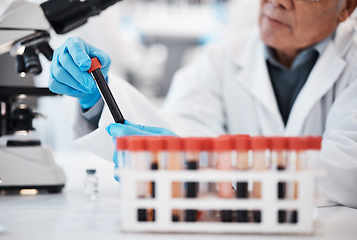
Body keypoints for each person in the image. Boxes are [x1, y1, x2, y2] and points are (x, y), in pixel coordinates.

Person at [49, 0, 357, 208]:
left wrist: (214, 164)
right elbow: (178, 131)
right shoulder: (220, 59)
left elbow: (347, 165)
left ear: (346, 7)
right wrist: (98, 98)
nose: (279, 1)